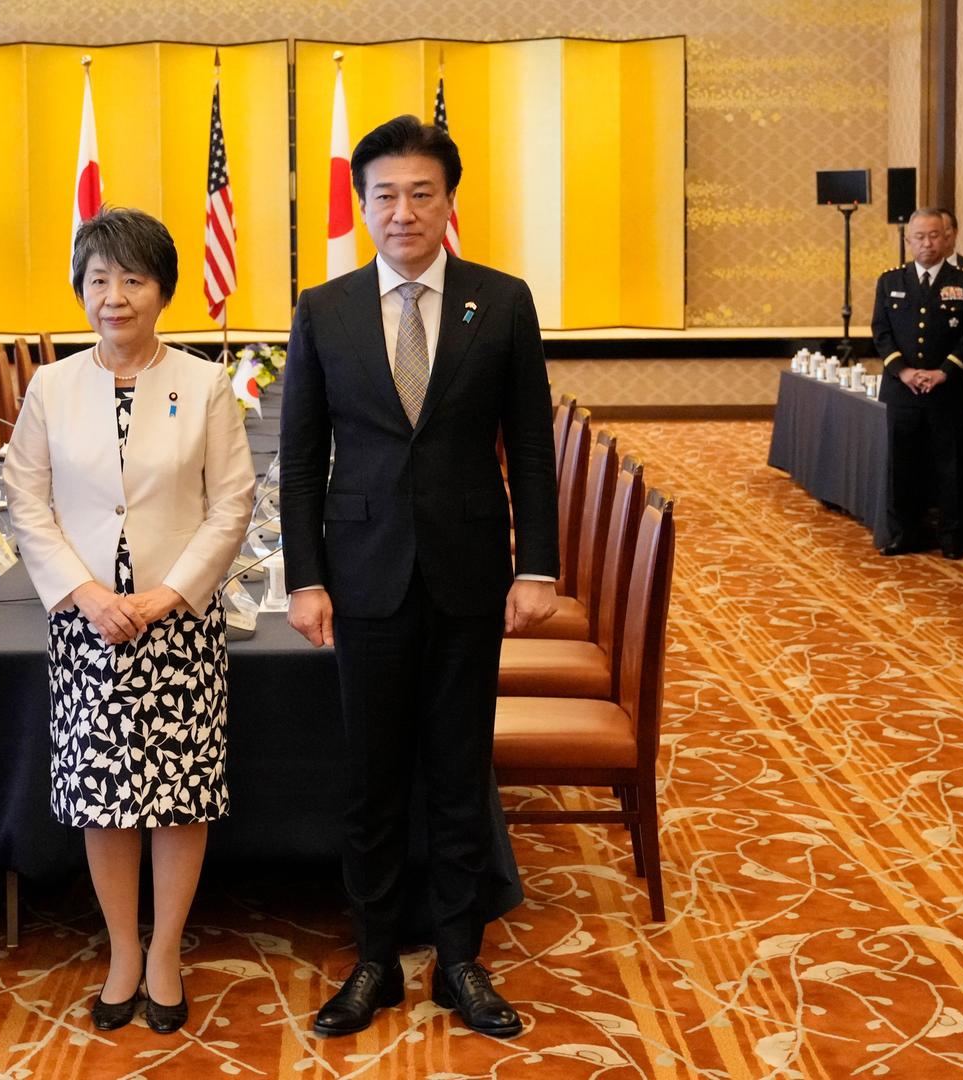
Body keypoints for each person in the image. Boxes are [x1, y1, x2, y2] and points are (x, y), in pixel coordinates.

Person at [280, 115, 558, 1041]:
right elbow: (300, 455)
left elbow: (529, 444)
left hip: (470, 572)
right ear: (361, 206)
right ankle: (371, 957)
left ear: (449, 201)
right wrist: (305, 577)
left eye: (421, 193)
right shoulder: (325, 308)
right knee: (370, 773)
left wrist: (539, 565)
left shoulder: (502, 301)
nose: (403, 211)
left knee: (454, 765)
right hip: (361, 579)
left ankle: (462, 956)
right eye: (385, 195)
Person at [0, 209, 255, 1035]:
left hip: (177, 623)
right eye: (99, 279)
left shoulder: (203, 384)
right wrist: (84, 593)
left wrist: (171, 594)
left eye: (133, 279)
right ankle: (119, 948)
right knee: (105, 797)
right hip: (86, 623)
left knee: (180, 796)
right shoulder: (51, 386)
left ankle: (167, 949)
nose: (115, 296)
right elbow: (25, 504)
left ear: (163, 290)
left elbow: (232, 505)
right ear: (81, 290)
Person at [871, 207, 963, 558]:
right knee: (902, 464)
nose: (927, 243)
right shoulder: (890, 281)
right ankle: (904, 532)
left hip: (947, 389)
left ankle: (951, 534)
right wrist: (904, 371)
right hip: (903, 389)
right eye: (919, 237)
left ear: (946, 237)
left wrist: (945, 371)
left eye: (934, 235)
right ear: (907, 240)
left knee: (949, 465)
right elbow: (881, 333)